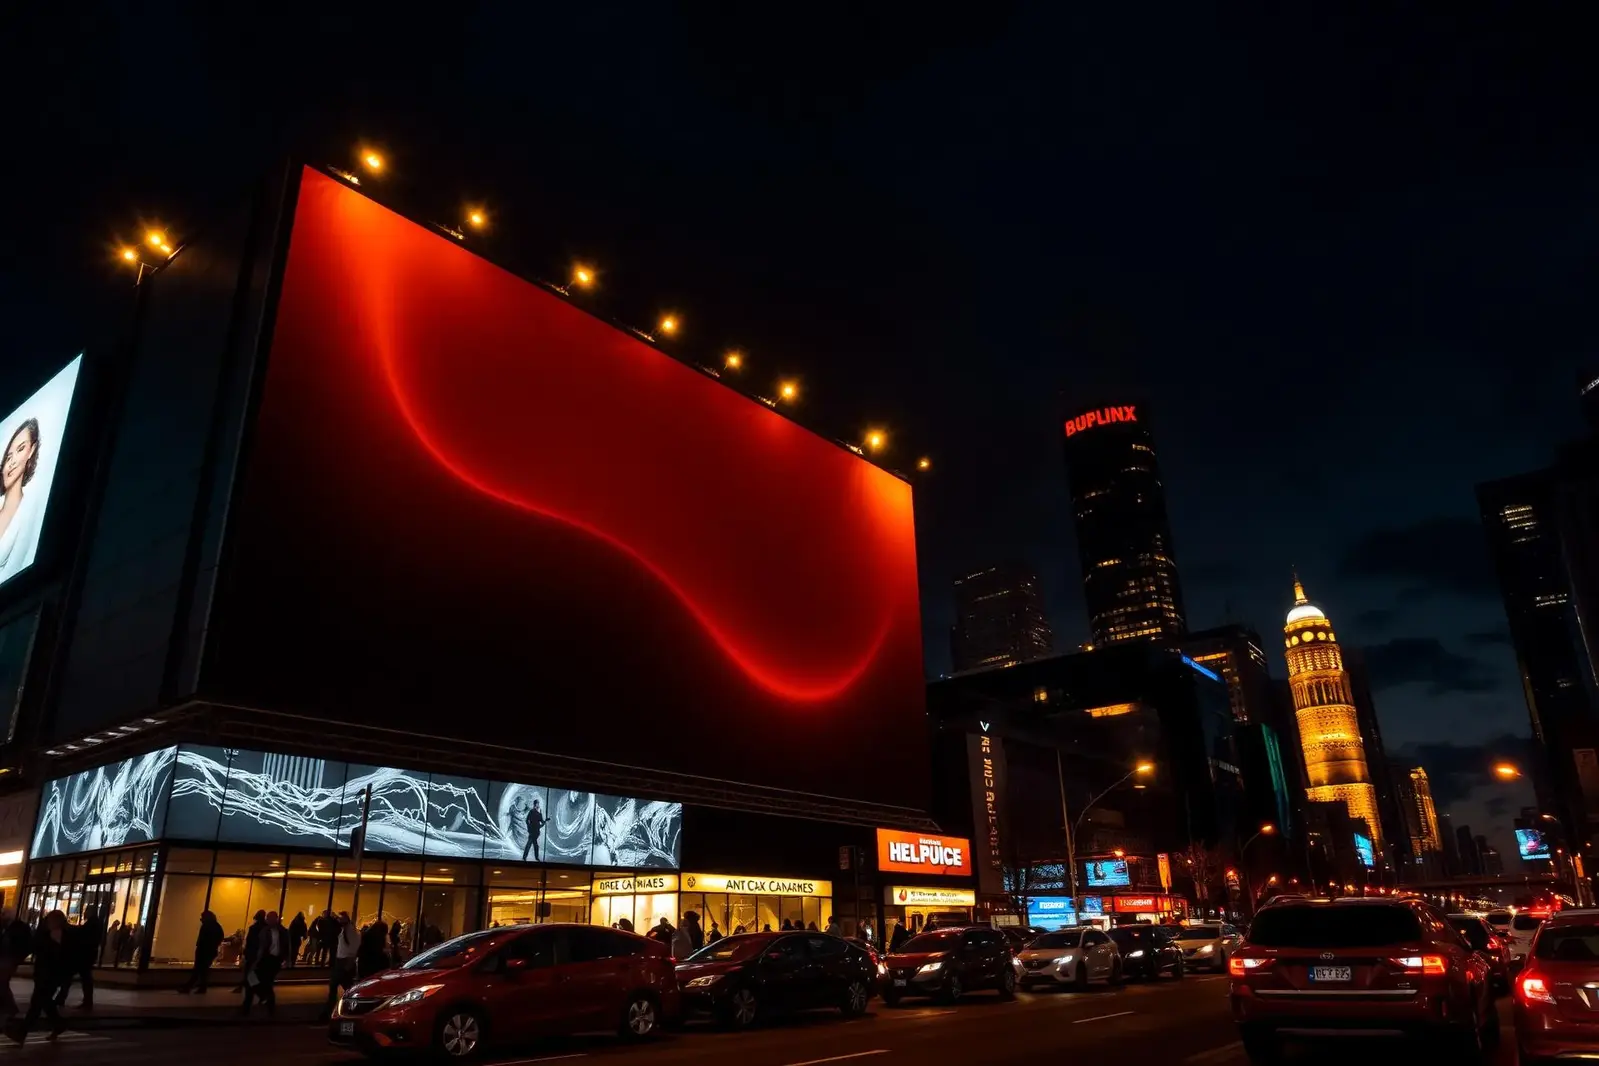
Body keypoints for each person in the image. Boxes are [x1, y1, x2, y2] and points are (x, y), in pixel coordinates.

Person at [6, 911, 68, 1044]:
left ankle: (21, 1033)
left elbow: (49, 954)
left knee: (37, 1005)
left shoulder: (55, 937)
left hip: (48, 976)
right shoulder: (53, 935)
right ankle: (58, 1024)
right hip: (47, 975)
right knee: (45, 1003)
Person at [0, 419, 44, 584]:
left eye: (20, 449)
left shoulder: (28, 511)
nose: (11, 462)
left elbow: (15, 570)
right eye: (8, 457)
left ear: (31, 450)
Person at [240, 912, 285, 1016]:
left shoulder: (262, 929)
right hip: (267, 960)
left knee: (253, 982)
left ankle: (253, 1004)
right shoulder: (270, 930)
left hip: (262, 960)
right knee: (263, 983)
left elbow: (254, 945)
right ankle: (265, 1003)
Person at [318, 912, 360, 1023]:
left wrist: (349, 962)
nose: (339, 920)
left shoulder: (350, 931)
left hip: (344, 961)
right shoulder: (344, 930)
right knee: (345, 987)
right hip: (341, 961)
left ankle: (330, 1012)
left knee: (337, 986)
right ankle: (348, 1008)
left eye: (341, 918)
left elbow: (354, 947)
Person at [53, 913, 98, 1010]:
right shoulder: (90, 934)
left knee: (68, 979)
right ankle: (85, 1001)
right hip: (83, 959)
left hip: (77, 959)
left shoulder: (77, 931)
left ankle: (61, 999)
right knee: (82, 979)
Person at [177, 911, 225, 994]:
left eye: (202, 917)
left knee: (198, 970)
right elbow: (220, 937)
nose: (201, 919)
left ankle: (189, 987)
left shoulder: (206, 926)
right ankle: (198, 988)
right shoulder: (217, 926)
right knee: (202, 970)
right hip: (210, 951)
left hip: (203, 950)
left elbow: (203, 939)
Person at [0, 909, 29, 1022]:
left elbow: (24, 945)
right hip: (5, 958)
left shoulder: (19, 928)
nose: (2, 916)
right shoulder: (5, 927)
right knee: (3, 983)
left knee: (3, 982)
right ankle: (8, 1006)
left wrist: (18, 958)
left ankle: (10, 1007)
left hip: (10, 959)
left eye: (4, 914)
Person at [521, 797, 547, 862]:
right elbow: (527, 820)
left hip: (536, 832)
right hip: (532, 831)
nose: (538, 805)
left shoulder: (539, 813)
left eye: (538, 804)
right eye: (538, 804)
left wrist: (545, 821)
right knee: (531, 845)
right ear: (535, 804)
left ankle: (528, 857)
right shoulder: (532, 811)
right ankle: (530, 857)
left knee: (532, 845)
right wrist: (529, 828)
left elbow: (542, 822)